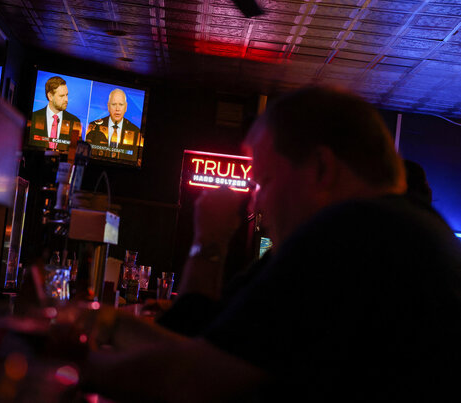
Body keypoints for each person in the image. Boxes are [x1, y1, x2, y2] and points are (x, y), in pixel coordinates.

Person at [79, 86, 461, 402]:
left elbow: (192, 379)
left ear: (321, 169)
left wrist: (69, 358)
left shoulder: (354, 231)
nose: (257, 201)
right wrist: (105, 322)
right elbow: (208, 344)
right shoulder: (412, 229)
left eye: (266, 181)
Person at [29, 76, 82, 151]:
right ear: (50, 96)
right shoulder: (33, 117)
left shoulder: (74, 121)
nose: (66, 99)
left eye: (67, 95)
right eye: (62, 96)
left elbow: (75, 152)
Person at [85, 88, 141, 159]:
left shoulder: (135, 130)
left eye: (121, 104)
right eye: (114, 104)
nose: (117, 109)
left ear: (126, 107)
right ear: (108, 106)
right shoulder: (93, 125)